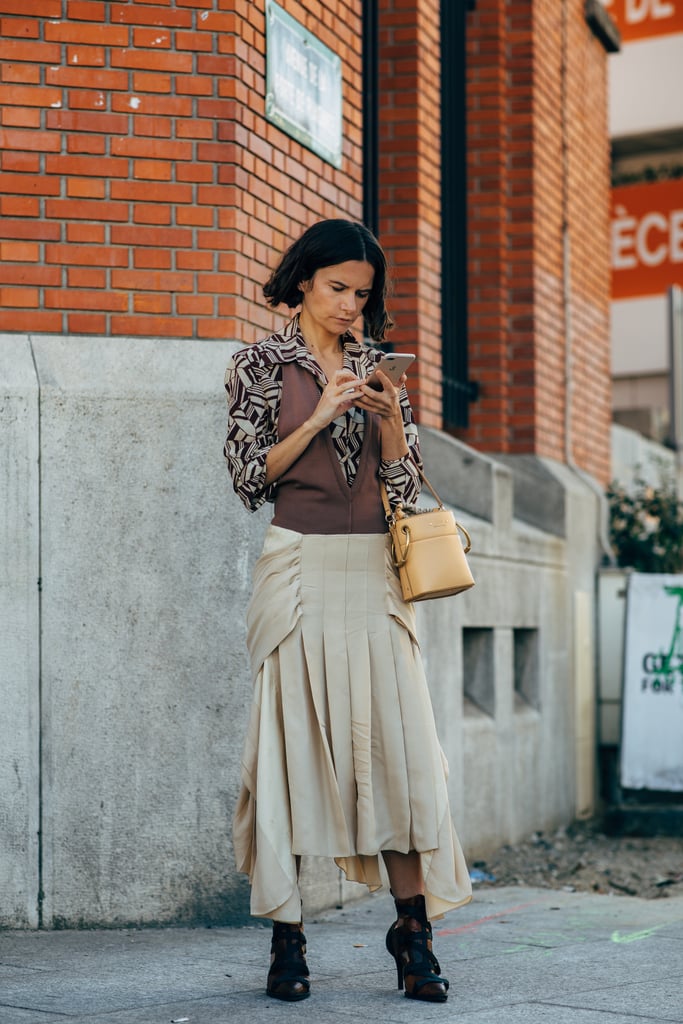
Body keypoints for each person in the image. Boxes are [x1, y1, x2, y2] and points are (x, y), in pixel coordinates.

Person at [223, 219, 471, 1004]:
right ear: (301, 281)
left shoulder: (373, 365)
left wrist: (389, 418)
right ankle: (287, 940)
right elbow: (247, 477)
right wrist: (322, 414)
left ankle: (413, 932)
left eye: (361, 294)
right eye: (337, 289)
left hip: (375, 578)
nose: (349, 306)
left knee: (399, 759)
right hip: (297, 571)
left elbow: (403, 491)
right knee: (292, 755)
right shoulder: (258, 364)